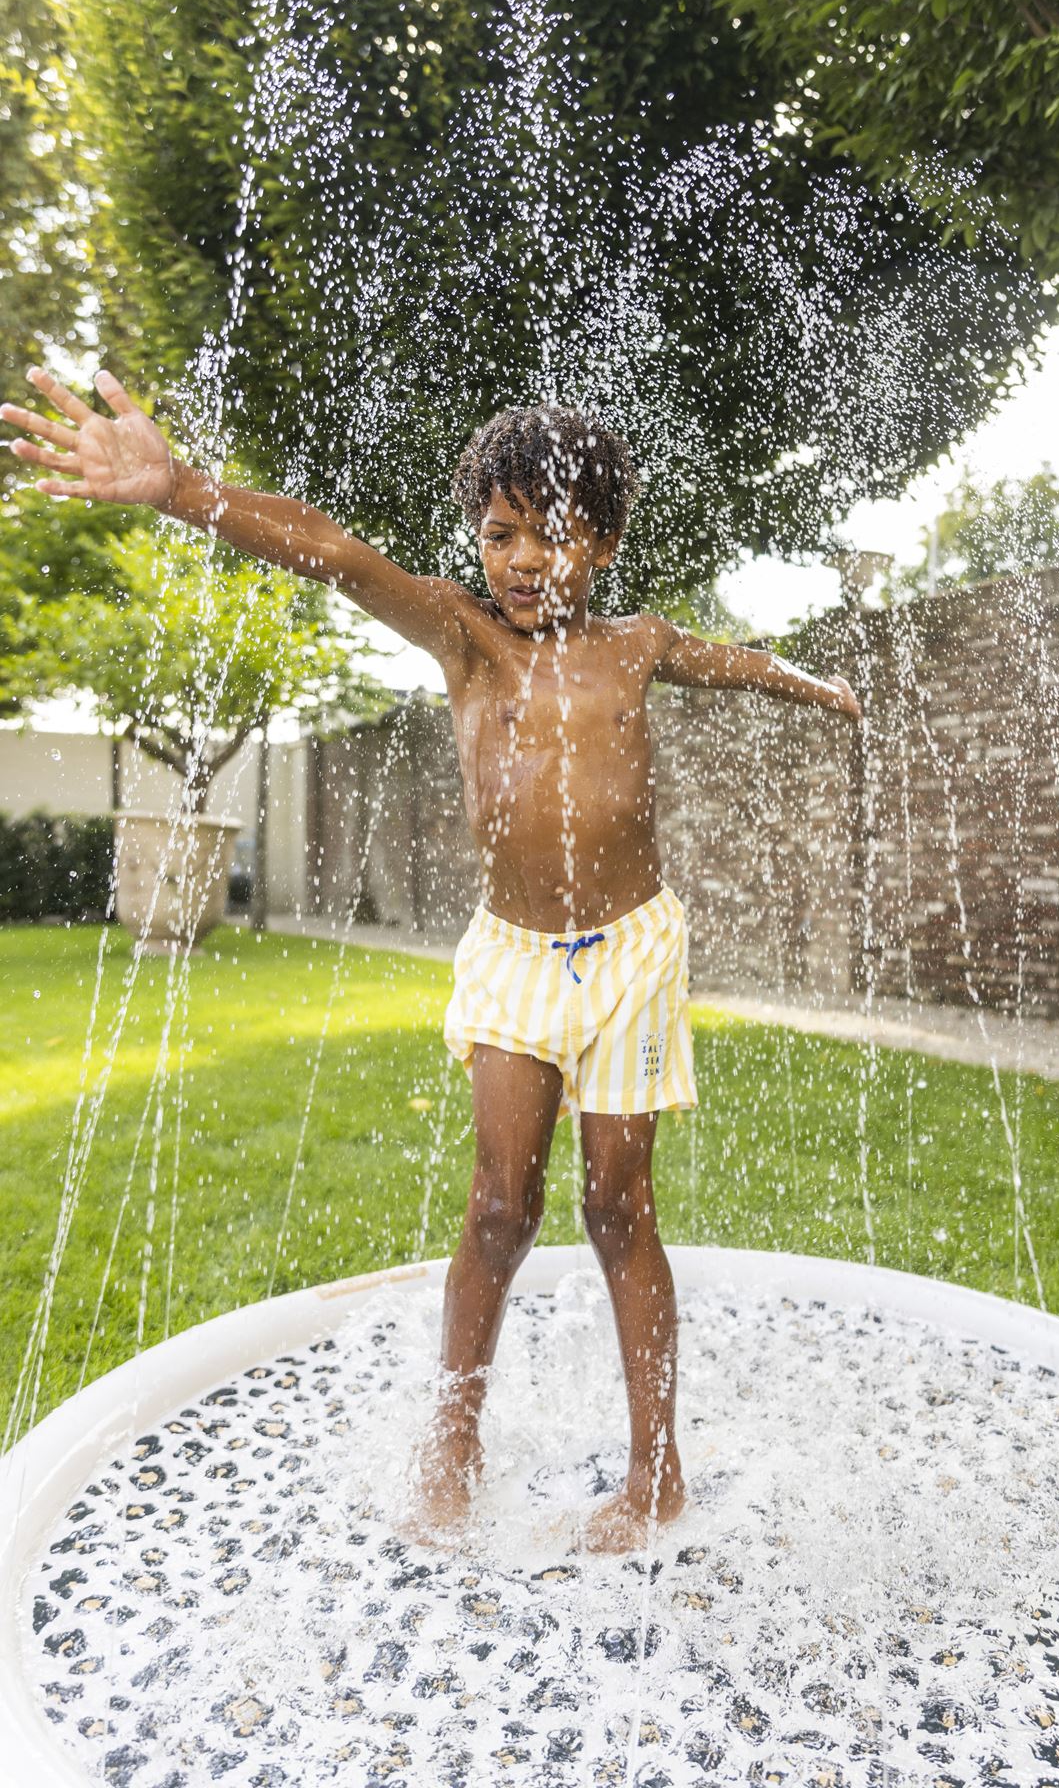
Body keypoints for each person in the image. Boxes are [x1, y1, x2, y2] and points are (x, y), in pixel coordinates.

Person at [2, 365, 862, 1552]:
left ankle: (655, 1472)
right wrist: (176, 488)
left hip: (633, 957)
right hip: (513, 959)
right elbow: (338, 556)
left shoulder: (635, 645)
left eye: (549, 535)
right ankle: (451, 1447)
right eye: (497, 533)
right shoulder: (466, 643)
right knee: (499, 1209)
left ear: (602, 544)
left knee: (620, 1211)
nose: (518, 559)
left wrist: (817, 685)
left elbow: (734, 660)